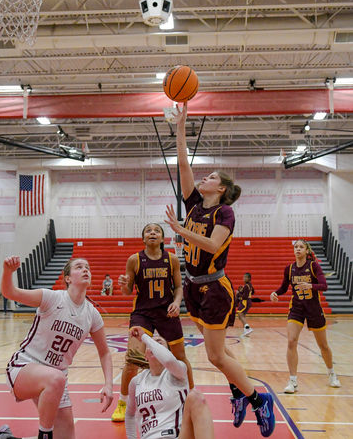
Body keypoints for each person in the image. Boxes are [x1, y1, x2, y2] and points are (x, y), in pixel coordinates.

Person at [164, 103, 275, 438]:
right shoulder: (194, 204)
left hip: (215, 288)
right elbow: (183, 163)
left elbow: (213, 246)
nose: (204, 178)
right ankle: (238, 392)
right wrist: (180, 127)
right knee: (220, 351)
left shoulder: (225, 213)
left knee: (214, 356)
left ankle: (259, 399)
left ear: (222, 188)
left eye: (211, 177)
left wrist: (180, 231)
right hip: (193, 286)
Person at [0, 256, 113, 439]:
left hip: (56, 379)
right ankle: (44, 435)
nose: (85, 269)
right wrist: (8, 271)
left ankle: (5, 438)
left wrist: (108, 385)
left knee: (66, 437)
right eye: (79, 267)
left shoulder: (92, 315)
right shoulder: (52, 298)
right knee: (56, 379)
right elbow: (10, 292)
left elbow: (105, 353)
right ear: (68, 278)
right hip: (25, 366)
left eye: (87, 267)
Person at [111, 223, 193, 423]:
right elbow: (127, 292)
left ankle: (191, 397)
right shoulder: (134, 260)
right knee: (133, 359)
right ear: (143, 238)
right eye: (149, 231)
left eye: (157, 230)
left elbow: (178, 287)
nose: (153, 233)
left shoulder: (172, 259)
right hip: (143, 313)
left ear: (163, 238)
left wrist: (176, 303)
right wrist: (123, 285)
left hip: (166, 312)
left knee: (180, 357)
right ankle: (122, 403)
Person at [270, 238, 341, 394]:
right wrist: (275, 293)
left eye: (301, 247)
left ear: (307, 250)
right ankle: (292, 381)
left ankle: (331, 373)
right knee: (291, 341)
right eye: (296, 247)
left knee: (323, 346)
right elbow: (283, 288)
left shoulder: (313, 266)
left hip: (314, 309)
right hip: (296, 308)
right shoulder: (289, 269)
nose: (298, 249)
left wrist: (310, 285)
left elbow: (324, 286)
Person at [125, 326, 214, 439]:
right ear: (146, 356)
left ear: (166, 352)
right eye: (152, 344)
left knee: (196, 397)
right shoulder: (136, 381)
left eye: (159, 344)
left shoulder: (178, 372)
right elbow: (129, 414)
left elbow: (168, 360)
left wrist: (145, 337)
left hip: (176, 436)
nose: (154, 345)